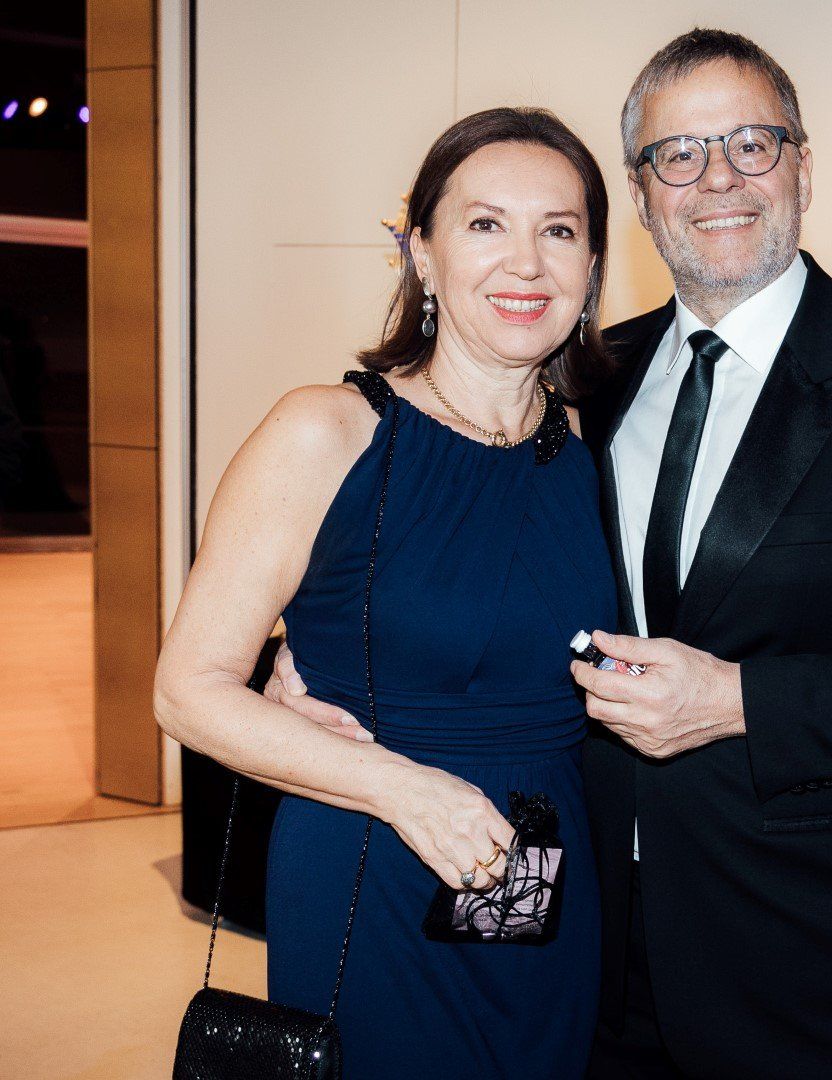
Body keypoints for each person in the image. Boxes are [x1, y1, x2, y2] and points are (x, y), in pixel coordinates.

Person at [273, 29, 832, 1078]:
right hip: (584, 939)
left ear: (803, 167)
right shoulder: (582, 383)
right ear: (643, 199)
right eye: (678, 154)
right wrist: (317, 660)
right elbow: (469, 567)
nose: (719, 178)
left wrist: (741, 701)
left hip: (811, 959)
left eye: (752, 143)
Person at [155, 107, 616, 1078]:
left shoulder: (595, 451)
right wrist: (406, 790)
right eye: (485, 224)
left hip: (543, 873)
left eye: (558, 230)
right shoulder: (325, 433)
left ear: (591, 266)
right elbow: (187, 691)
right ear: (422, 254)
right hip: (373, 859)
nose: (526, 262)